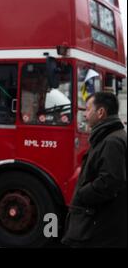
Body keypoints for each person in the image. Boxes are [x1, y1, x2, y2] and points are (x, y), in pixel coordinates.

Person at [62, 92, 127, 248]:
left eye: (88, 109)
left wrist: (82, 194)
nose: (85, 114)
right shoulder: (110, 137)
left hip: (99, 228)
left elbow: (110, 181)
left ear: (100, 112)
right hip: (103, 225)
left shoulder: (112, 141)